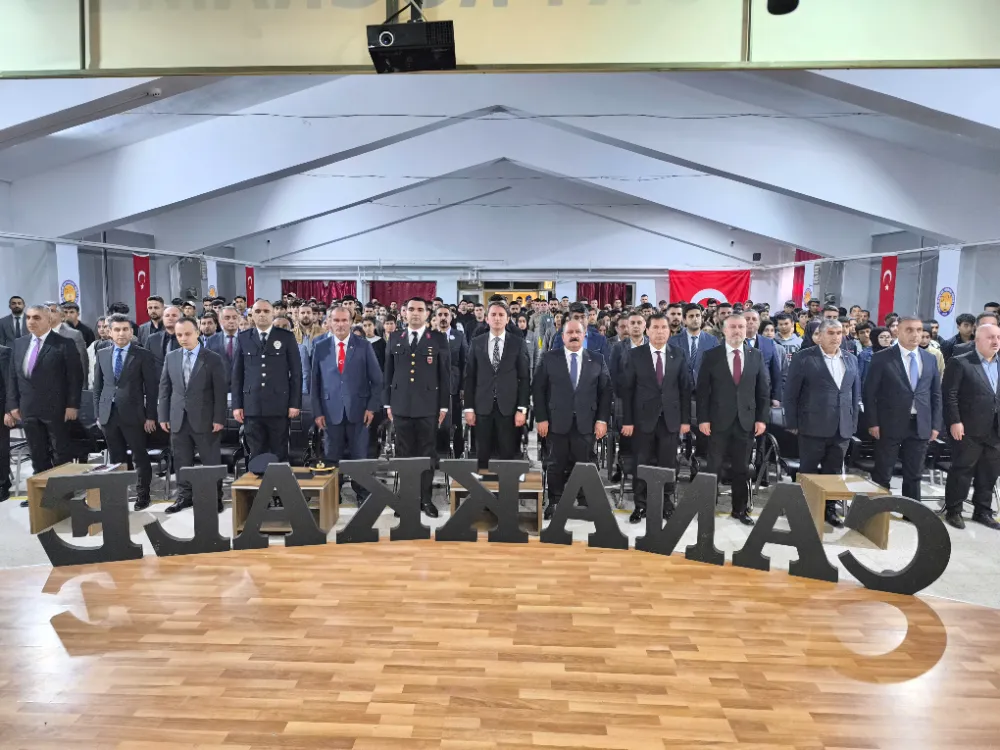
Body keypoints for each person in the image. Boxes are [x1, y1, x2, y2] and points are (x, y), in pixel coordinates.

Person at [782, 319, 862, 527]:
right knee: (809, 471)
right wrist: (792, 422)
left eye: (839, 333)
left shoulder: (851, 359)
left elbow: (854, 394)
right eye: (831, 333)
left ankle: (829, 510)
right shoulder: (804, 358)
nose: (836, 337)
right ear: (820, 336)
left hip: (842, 427)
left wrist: (853, 423)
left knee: (833, 473)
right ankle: (805, 510)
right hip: (812, 425)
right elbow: (790, 394)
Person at [534, 320, 611, 520]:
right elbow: (538, 390)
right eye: (570, 332)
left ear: (584, 335)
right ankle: (555, 501)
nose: (574, 335)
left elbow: (605, 392)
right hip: (556, 422)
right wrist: (541, 418)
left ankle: (585, 500)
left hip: (587, 422)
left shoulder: (597, 359)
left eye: (578, 332)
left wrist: (602, 420)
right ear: (563, 336)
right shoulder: (549, 358)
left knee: (585, 463)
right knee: (555, 463)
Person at [696, 315, 770, 526]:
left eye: (741, 327)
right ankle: (707, 509)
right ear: (724, 330)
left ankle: (740, 510)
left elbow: (763, 390)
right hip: (717, 422)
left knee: (742, 468)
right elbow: (703, 391)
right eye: (733, 327)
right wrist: (703, 419)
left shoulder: (756, 355)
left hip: (746, 422)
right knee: (714, 467)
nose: (738, 330)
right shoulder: (711, 355)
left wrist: (761, 419)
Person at [8, 305, 84, 506]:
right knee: (37, 452)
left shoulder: (64, 344)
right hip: (28, 408)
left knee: (60, 452)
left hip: (57, 408)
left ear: (48, 320)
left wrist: (72, 405)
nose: (31, 321)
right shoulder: (19, 344)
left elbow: (75, 377)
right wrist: (12, 404)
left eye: (36, 317)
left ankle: (63, 492)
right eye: (28, 318)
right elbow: (12, 377)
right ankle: (40, 493)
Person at [620, 313, 691, 523]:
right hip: (642, 419)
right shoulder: (634, 355)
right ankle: (641, 505)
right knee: (641, 462)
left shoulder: (678, 354)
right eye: (656, 328)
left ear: (670, 331)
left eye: (664, 328)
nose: (660, 332)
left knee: (668, 463)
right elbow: (627, 391)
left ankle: (666, 503)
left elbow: (685, 389)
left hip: (670, 419)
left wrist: (685, 420)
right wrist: (627, 421)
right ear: (647, 330)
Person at [863, 316, 942, 507]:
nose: (915, 335)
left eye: (919, 330)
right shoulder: (882, 357)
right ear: (897, 332)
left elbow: (936, 394)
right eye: (909, 330)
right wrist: (873, 422)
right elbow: (869, 393)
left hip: (920, 423)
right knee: (883, 471)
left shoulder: (930, 359)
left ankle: (911, 512)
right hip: (889, 423)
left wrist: (935, 425)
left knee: (914, 473)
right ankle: (878, 511)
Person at [384, 297, 451, 517]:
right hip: (401, 405)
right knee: (404, 454)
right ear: (404, 312)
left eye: (420, 309)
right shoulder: (395, 337)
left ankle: (425, 499)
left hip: (428, 407)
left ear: (427, 313)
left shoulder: (438, 339)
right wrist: (387, 403)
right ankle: (407, 499)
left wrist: (443, 407)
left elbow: (444, 375)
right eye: (411, 309)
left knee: (426, 454)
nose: (415, 313)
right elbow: (388, 373)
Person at [311, 306, 383, 503]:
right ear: (329, 322)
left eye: (344, 320)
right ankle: (334, 494)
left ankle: (361, 493)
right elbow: (315, 383)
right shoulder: (320, 346)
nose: (340, 324)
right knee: (331, 456)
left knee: (359, 456)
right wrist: (317, 412)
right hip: (329, 412)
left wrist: (371, 407)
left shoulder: (363, 346)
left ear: (351, 322)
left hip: (359, 412)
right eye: (336, 320)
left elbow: (377, 380)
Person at [158, 317, 227, 514]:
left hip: (206, 419)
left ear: (197, 332)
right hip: (178, 418)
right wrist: (163, 416)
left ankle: (215, 497)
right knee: (181, 461)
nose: (183, 338)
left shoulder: (213, 358)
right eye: (179, 335)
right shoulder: (171, 357)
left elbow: (220, 392)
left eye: (187, 334)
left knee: (211, 461)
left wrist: (219, 418)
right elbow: (164, 389)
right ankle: (184, 497)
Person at [93, 314, 159, 511]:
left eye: (125, 329)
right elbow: (97, 387)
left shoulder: (142, 355)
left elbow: (152, 389)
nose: (121, 333)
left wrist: (151, 416)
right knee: (116, 457)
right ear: (109, 332)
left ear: (131, 332)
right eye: (117, 330)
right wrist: (98, 414)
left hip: (134, 414)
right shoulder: (102, 353)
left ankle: (143, 495)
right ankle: (118, 496)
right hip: (108, 414)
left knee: (139, 456)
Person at [940, 323, 1000, 530]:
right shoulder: (961, 362)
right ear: (978, 340)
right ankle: (954, 510)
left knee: (989, 472)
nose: (995, 341)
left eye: (998, 337)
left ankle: (983, 511)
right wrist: (955, 421)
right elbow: (950, 395)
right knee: (962, 470)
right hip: (967, 428)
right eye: (990, 337)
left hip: (995, 429)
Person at [232, 300, 303, 463]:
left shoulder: (285, 336)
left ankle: (279, 480)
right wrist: (237, 405)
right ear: (251, 315)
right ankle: (258, 480)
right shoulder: (243, 337)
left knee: (279, 451)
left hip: (279, 405)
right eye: (257, 312)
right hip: (252, 405)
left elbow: (296, 373)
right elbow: (237, 374)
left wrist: (294, 403)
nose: (262, 315)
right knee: (256, 453)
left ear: (272, 314)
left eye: (266, 311)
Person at [463, 301, 530, 472]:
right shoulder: (477, 342)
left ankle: (506, 486)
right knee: (482, 453)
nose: (497, 318)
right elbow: (470, 377)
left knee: (507, 453)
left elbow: (524, 378)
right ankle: (483, 485)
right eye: (493, 314)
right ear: (487, 318)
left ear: (508, 319)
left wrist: (522, 409)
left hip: (509, 408)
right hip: (482, 406)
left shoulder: (518, 343)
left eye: (501, 315)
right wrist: (468, 408)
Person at [434, 306, 467, 460]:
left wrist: (463, 387)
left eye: (446, 315)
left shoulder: (459, 336)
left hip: (454, 386)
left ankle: (457, 455)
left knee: (454, 421)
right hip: (433, 387)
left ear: (451, 317)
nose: (443, 317)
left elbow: (465, 362)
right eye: (440, 314)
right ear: (435, 317)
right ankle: (436, 453)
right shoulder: (429, 336)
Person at [669, 303, 717, 384]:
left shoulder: (712, 341)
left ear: (702, 318)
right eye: (691, 316)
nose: (695, 319)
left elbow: (716, 368)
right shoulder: (673, 341)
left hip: (705, 388)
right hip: (680, 387)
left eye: (698, 315)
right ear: (684, 320)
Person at [146, 305, 183, 373]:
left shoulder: (189, 339)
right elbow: (146, 363)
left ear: (181, 319)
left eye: (174, 315)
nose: (170, 318)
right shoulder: (152, 339)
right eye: (167, 315)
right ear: (163, 318)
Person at [0, 344, 12, 502]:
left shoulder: (3, 352)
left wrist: (9, 410)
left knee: (1, 447)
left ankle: (3, 483)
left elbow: (10, 384)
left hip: (1, 408)